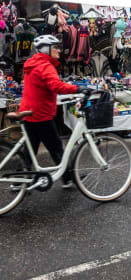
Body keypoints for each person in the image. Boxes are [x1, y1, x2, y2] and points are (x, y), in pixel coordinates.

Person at [19, 35, 83, 188]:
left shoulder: (32, 63)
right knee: (56, 147)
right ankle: (67, 178)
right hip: (41, 114)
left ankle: (19, 181)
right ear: (46, 49)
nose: (59, 50)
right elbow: (57, 86)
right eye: (55, 47)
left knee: (30, 149)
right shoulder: (45, 66)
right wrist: (77, 88)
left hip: (29, 112)